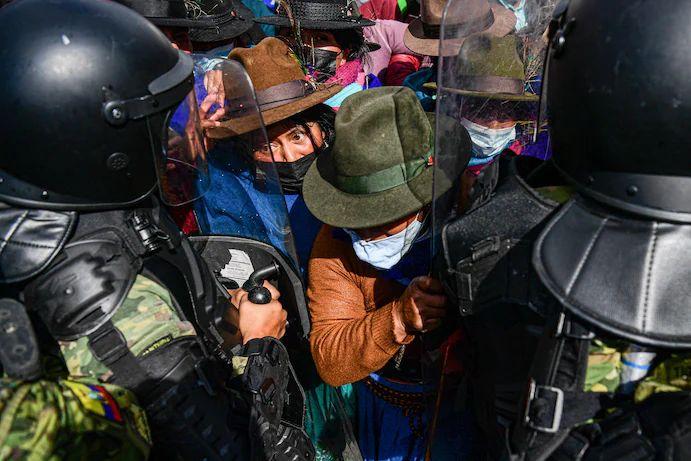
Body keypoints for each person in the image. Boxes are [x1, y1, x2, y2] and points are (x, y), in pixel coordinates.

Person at [0, 1, 313, 459]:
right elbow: (233, 448)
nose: (178, 129)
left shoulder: (70, 200)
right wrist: (259, 344)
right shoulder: (99, 292)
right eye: (160, 118)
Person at [197, 37, 361, 461]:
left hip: (346, 348)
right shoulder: (230, 198)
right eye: (267, 144)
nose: (287, 155)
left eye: (298, 136)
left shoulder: (352, 179)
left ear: (322, 130)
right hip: (279, 357)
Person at [302, 86, 476, 460]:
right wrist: (397, 319)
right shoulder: (334, 243)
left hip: (465, 404)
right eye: (358, 218)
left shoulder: (467, 209)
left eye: (384, 218)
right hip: (384, 409)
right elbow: (330, 357)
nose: (367, 234)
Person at [253, 0, 384, 108]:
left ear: (345, 53)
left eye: (320, 38)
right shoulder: (262, 92)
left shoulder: (367, 105)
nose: (304, 46)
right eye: (291, 35)